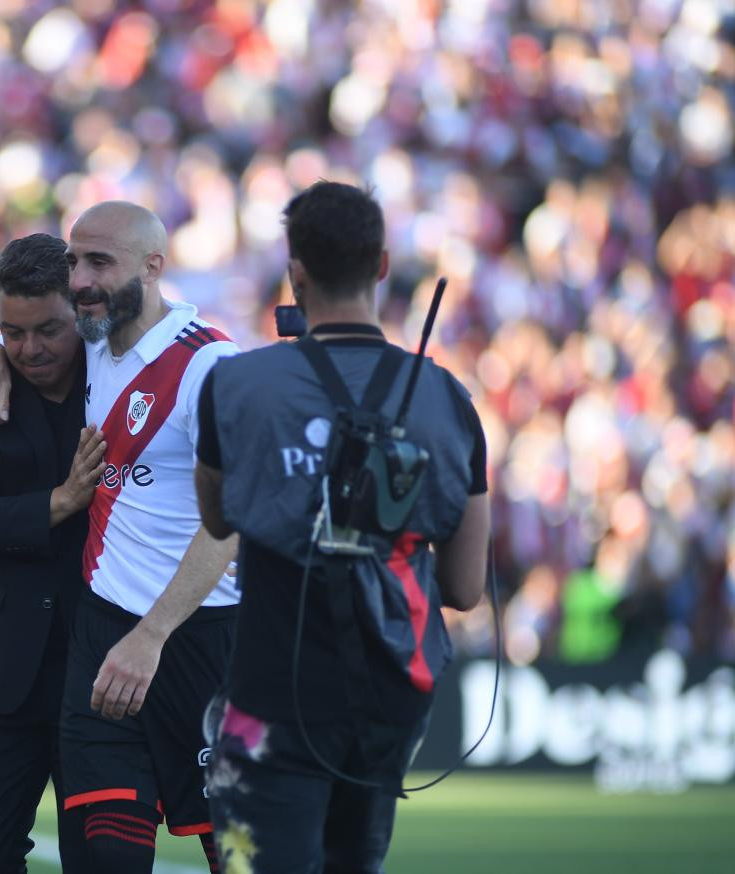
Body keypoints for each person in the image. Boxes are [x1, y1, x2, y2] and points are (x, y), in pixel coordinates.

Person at [194, 181, 490, 873]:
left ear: (294, 271)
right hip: (392, 692)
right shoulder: (446, 397)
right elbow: (466, 587)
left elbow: (217, 519)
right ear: (382, 265)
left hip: (274, 687)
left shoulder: (238, 386)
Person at [0, 201, 240, 874]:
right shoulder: (91, 343)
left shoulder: (210, 367)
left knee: (240, 857)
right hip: (102, 633)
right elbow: (30, 335)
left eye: (99, 262)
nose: (79, 279)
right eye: (74, 261)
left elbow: (228, 523)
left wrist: (153, 635)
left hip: (201, 638)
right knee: (104, 859)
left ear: (153, 267)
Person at [0, 233, 104, 873]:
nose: (30, 349)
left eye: (48, 329)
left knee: (101, 862)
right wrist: (60, 502)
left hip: (97, 670)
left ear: (82, 311)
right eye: (11, 331)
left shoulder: (119, 384)